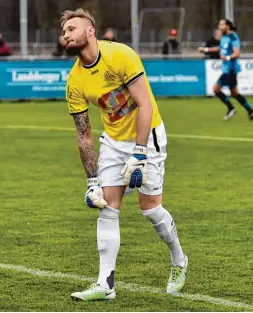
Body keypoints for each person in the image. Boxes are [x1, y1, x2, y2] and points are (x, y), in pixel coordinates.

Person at [61, 8, 188, 301]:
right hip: (114, 142)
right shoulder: (74, 81)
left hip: (148, 137)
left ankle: (179, 261)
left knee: (150, 209)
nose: (66, 34)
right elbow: (84, 133)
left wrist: (140, 154)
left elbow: (144, 104)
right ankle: (106, 285)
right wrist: (91, 181)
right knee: (107, 205)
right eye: (64, 30)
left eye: (72, 28)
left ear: (90, 31)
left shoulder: (121, 55)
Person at [206, 19, 253, 121]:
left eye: (222, 24)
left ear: (228, 26)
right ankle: (250, 111)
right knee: (234, 92)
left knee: (216, 89)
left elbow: (237, 53)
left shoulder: (233, 37)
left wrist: (228, 57)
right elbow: (220, 49)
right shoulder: (223, 37)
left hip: (231, 69)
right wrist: (206, 50)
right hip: (226, 69)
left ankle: (231, 108)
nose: (220, 26)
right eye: (219, 24)